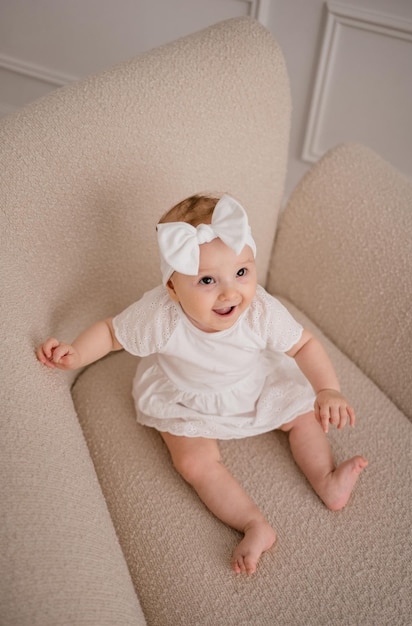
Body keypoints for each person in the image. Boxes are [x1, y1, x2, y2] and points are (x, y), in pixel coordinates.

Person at [37, 193, 367, 575]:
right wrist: (75, 353)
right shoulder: (161, 316)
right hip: (185, 397)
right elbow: (112, 333)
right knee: (194, 463)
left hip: (254, 381)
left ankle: (326, 480)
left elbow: (304, 344)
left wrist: (327, 389)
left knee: (304, 414)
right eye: (207, 280)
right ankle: (253, 524)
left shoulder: (259, 310)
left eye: (241, 273)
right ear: (173, 289)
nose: (230, 292)